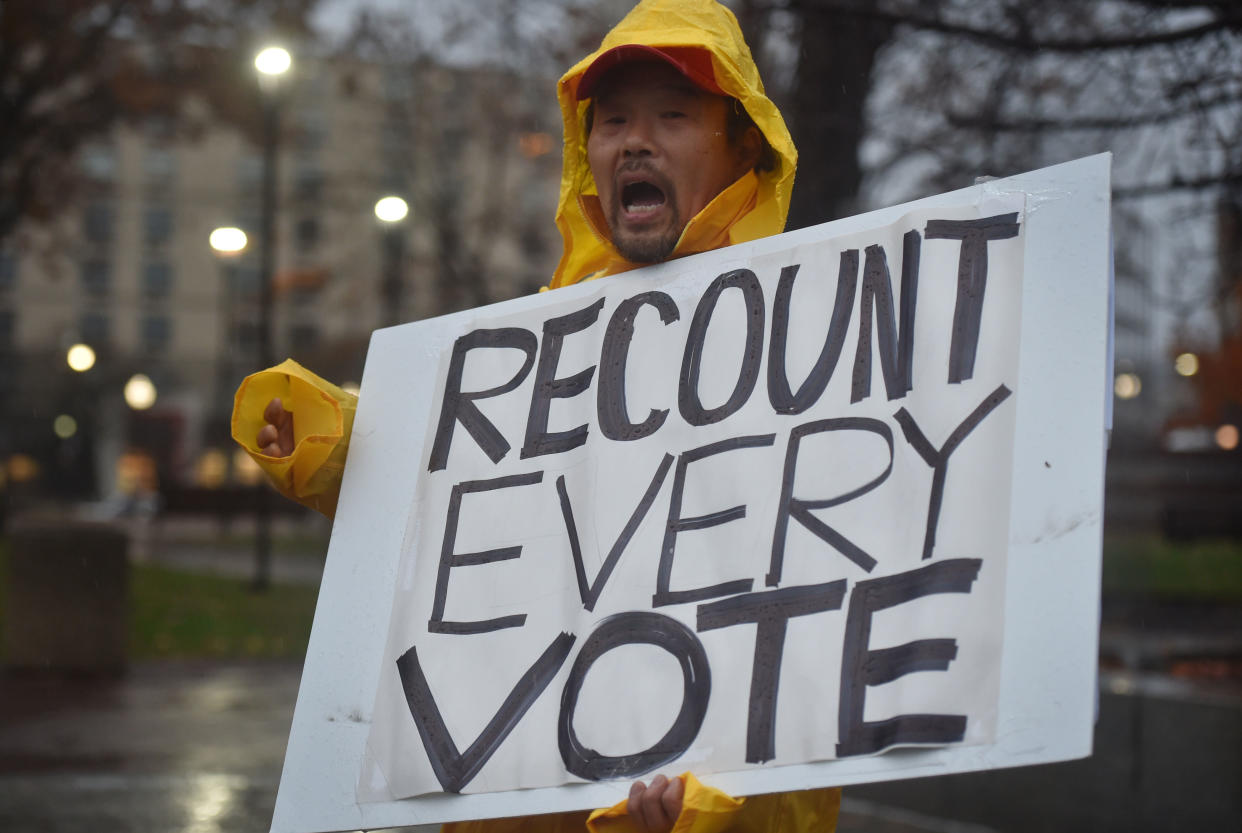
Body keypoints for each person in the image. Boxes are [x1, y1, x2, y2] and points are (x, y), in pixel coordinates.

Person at [232, 1, 840, 830]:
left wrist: (723, 805)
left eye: (673, 114)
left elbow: (819, 625)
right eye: (615, 119)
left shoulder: (813, 343)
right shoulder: (545, 339)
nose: (636, 140)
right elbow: (463, 495)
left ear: (741, 142)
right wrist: (335, 440)